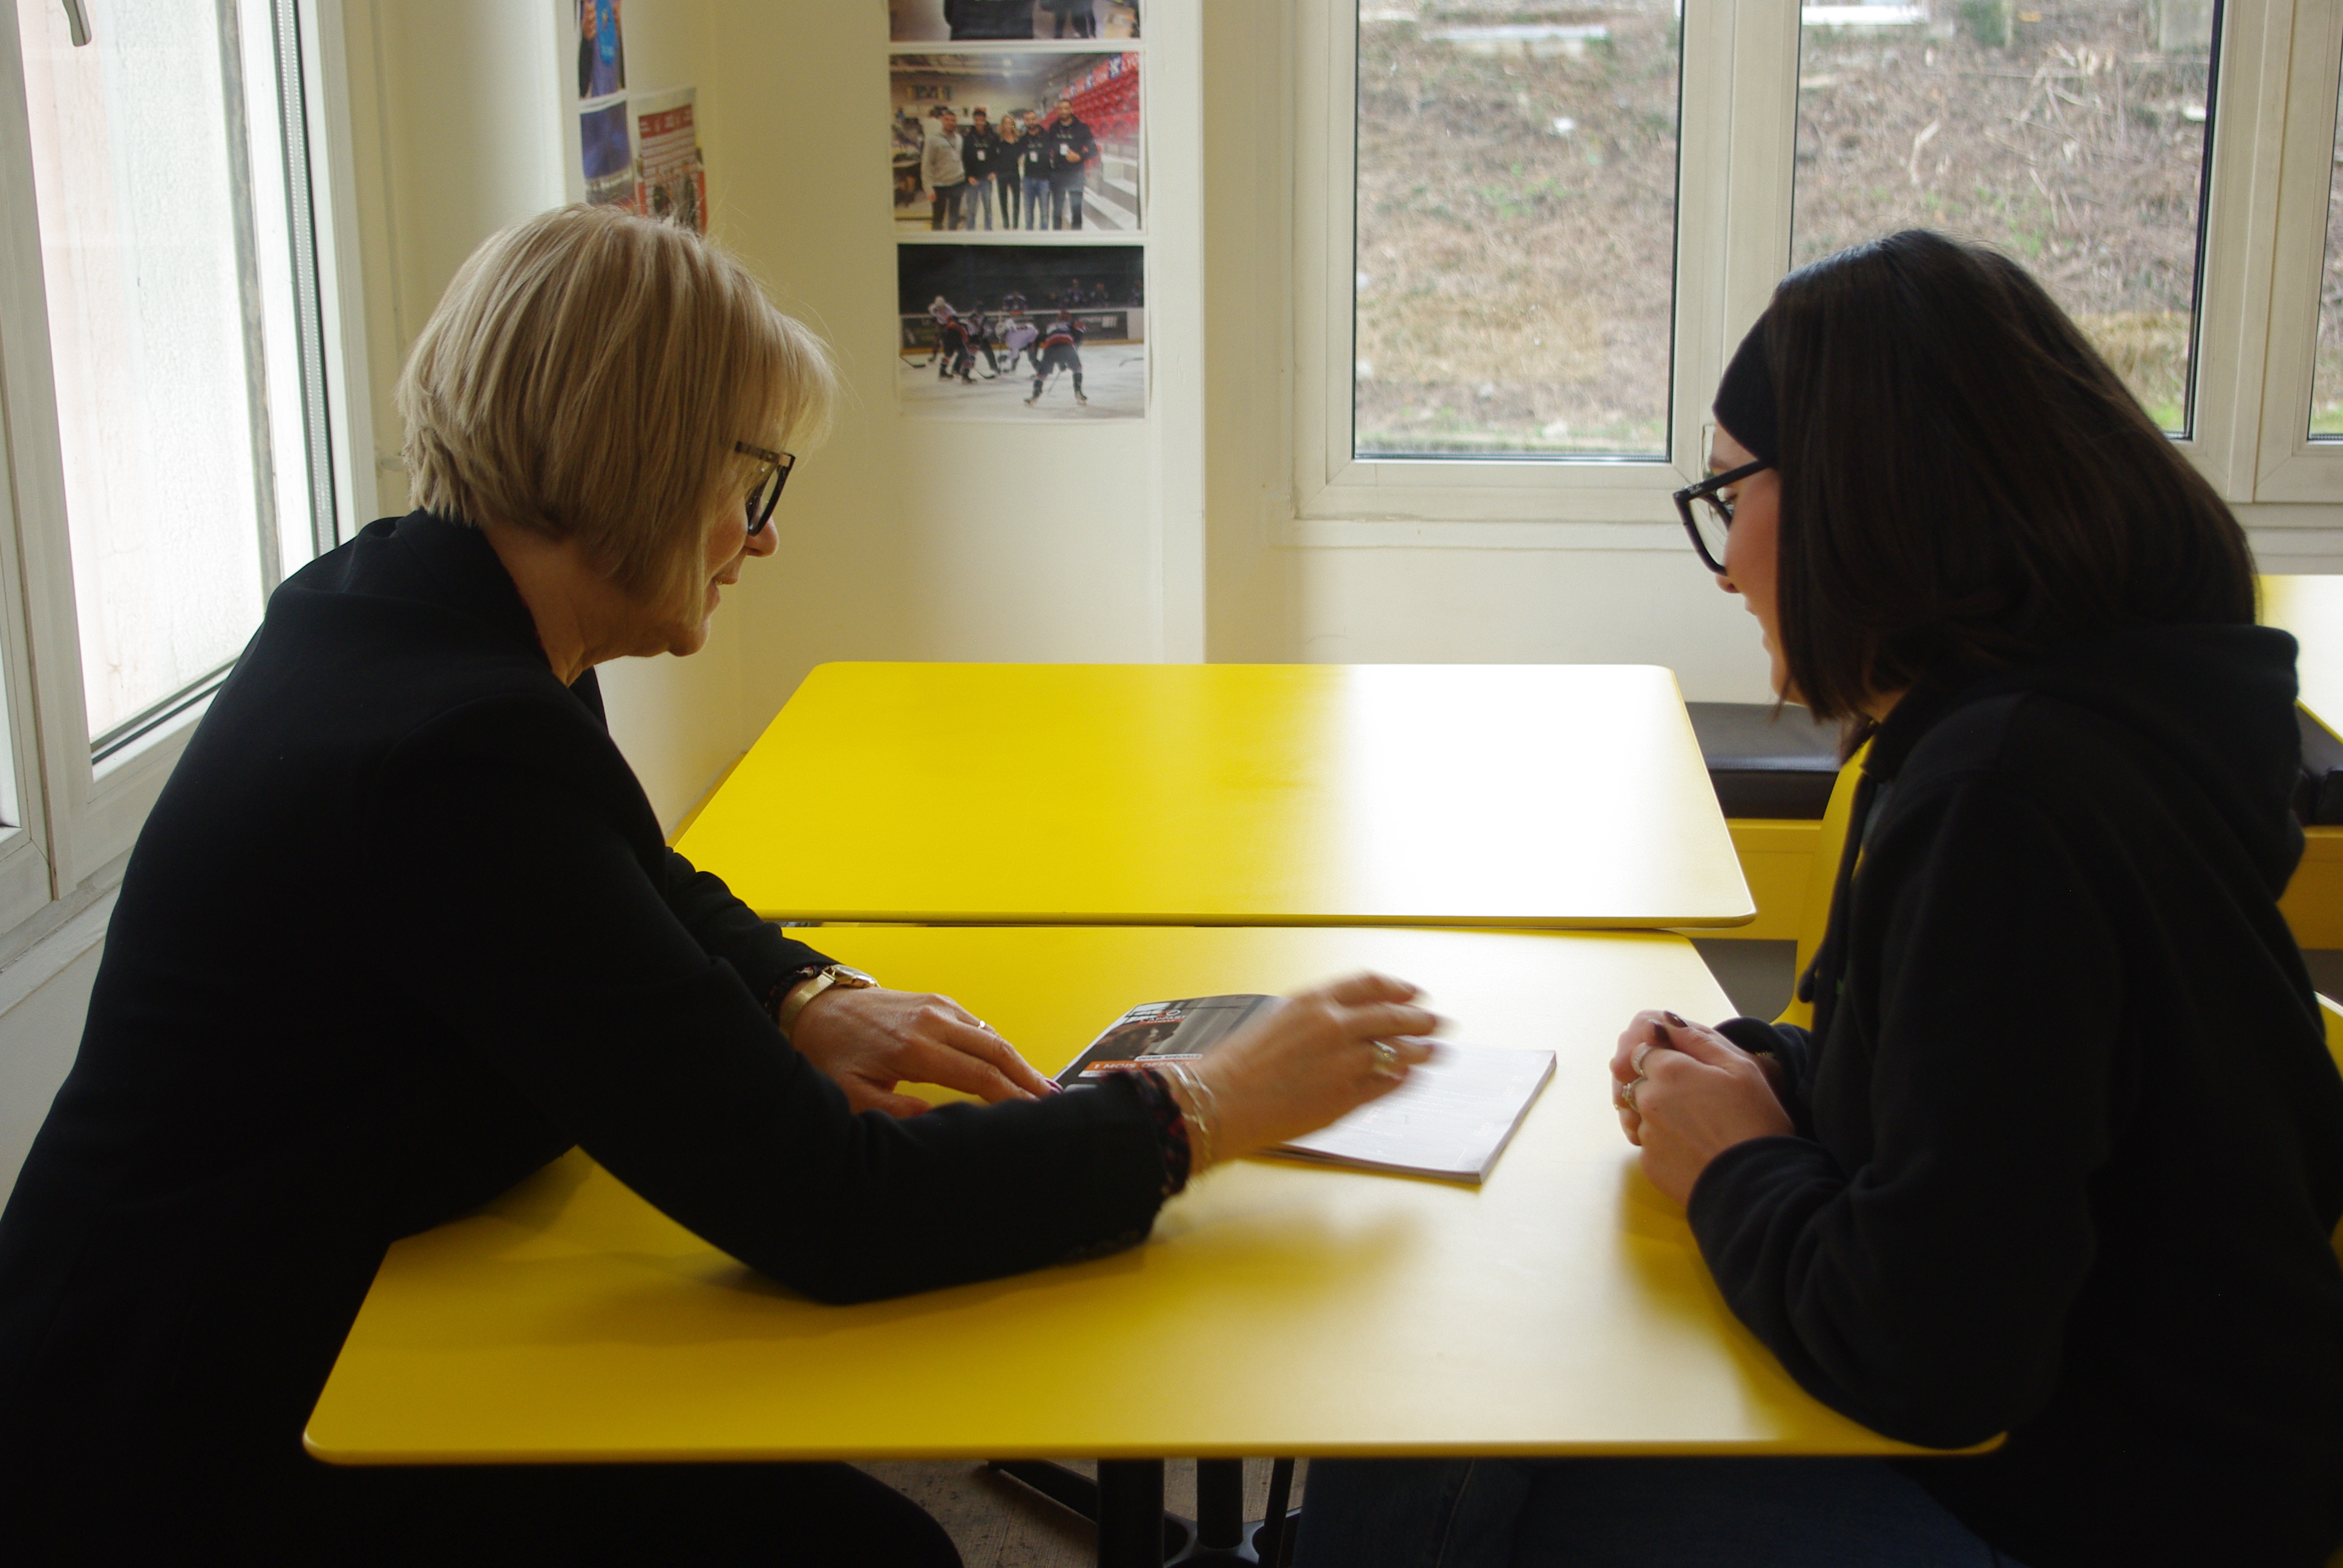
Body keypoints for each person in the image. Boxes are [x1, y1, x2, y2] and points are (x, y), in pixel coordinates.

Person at [0, 205, 1443, 1564]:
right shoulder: (455, 748)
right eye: (748, 481)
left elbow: (629, 872)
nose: (760, 536)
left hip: (247, 1309)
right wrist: (1206, 1105)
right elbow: (836, 1209)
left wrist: (799, 990)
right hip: (187, 1437)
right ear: (641, 456)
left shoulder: (401, 610)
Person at [1295, 229, 2343, 1568]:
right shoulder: (2102, 722)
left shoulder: (2003, 802)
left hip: (2093, 1507)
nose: (1727, 562)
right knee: (1475, 1423)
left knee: (1464, 1442)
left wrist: (1735, 1161)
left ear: (1864, 494)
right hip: (2178, 1452)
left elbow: (1933, 1355)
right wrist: (1769, 1070)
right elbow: (1997, 1095)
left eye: (1731, 496)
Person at [1045, 95, 1096, 229]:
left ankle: (1076, 242)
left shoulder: (1082, 128)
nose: (1063, 111)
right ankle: (1056, 242)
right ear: (1057, 111)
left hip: (1076, 175)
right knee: (1057, 212)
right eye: (1060, 109)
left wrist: (1079, 157)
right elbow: (1046, 148)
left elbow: (1094, 150)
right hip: (1058, 174)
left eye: (1066, 108)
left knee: (1077, 211)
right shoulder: (1053, 128)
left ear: (1072, 110)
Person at [1027, 309, 1085, 405]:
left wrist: (1060, 363)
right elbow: (1079, 334)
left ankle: (1035, 395)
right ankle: (1078, 392)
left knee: (1041, 374)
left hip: (1050, 348)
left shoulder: (1051, 326)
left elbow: (1051, 340)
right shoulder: (1072, 323)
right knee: (1077, 368)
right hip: (1066, 346)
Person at [922, 108, 965, 231]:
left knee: (954, 216)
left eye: (953, 120)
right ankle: (937, 244)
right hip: (940, 185)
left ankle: (952, 241)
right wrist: (928, 188)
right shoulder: (932, 140)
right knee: (938, 218)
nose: (950, 122)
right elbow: (926, 165)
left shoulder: (959, 138)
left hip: (957, 183)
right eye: (947, 120)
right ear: (942, 121)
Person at [959, 106, 1000, 231]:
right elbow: (964, 158)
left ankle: (989, 232)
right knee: (972, 209)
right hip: (973, 180)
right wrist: (968, 176)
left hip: (986, 179)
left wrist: (995, 172)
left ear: (985, 120)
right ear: (974, 120)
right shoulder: (968, 138)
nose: (979, 122)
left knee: (988, 208)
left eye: (981, 120)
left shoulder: (992, 137)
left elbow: (996, 157)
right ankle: (970, 234)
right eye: (976, 120)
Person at [1019, 111, 1054, 232]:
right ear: (1025, 121)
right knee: (1028, 214)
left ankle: (1044, 240)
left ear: (1038, 120)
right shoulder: (1023, 139)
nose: (1031, 122)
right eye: (1028, 120)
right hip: (1028, 179)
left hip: (1044, 179)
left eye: (1033, 119)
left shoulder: (1047, 135)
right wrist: (1013, 127)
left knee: (1044, 213)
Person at [995, 113, 1024, 228]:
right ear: (1002, 125)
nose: (1008, 125)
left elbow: (1021, 155)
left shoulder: (1018, 140)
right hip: (1002, 174)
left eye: (1010, 123)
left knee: (1016, 201)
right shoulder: (998, 140)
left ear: (1013, 125)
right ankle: (1006, 224)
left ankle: (1016, 224)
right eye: (1005, 123)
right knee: (1003, 201)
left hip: (1014, 173)